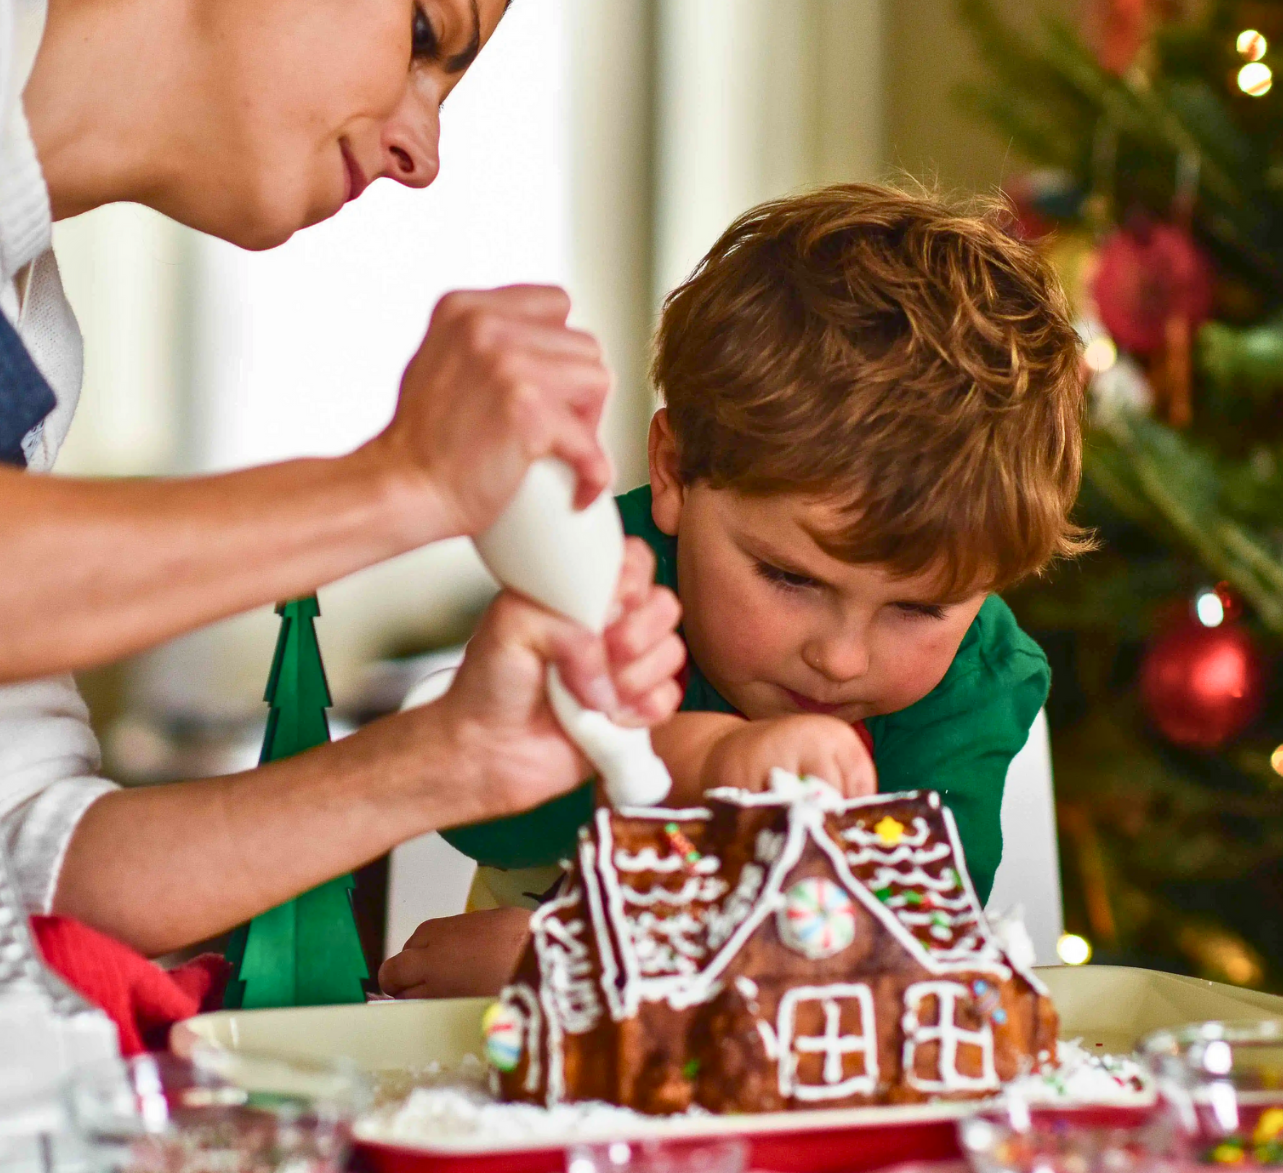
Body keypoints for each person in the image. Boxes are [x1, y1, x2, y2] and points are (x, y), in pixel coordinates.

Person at [0, 0, 684, 960]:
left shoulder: (28, 336)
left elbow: (19, 857)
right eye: (425, 31)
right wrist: (405, 482)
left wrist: (446, 759)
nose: (426, 152)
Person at [378, 183, 1090, 998]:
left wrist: (576, 957)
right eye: (790, 577)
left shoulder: (975, 679)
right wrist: (707, 760)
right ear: (675, 473)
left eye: (918, 608)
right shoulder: (598, 582)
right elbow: (482, 812)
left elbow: (913, 924)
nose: (840, 658)